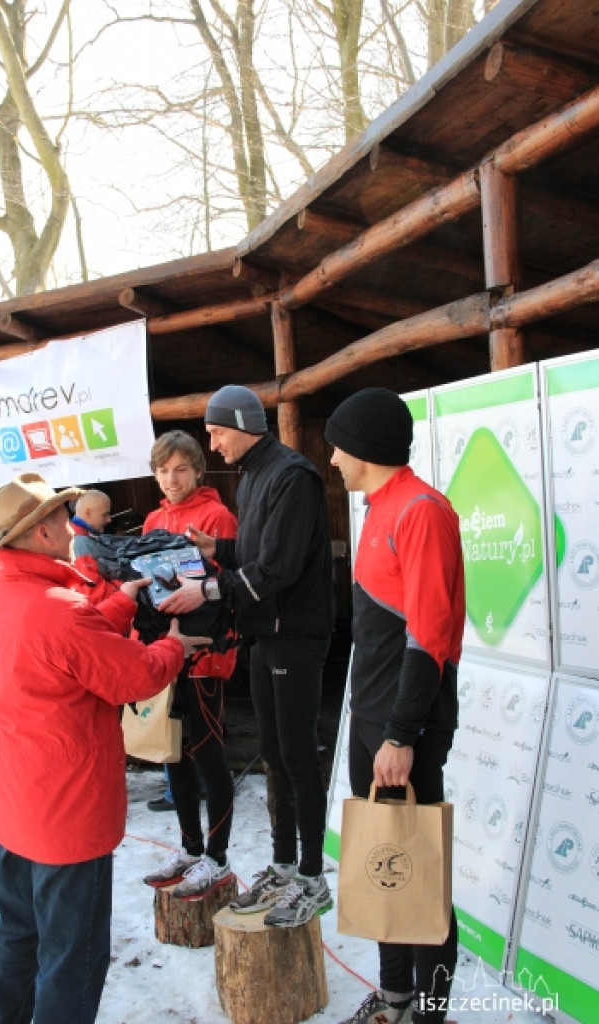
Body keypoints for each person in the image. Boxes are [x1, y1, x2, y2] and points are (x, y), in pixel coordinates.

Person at [0, 471, 209, 1024]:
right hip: (68, 814)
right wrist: (174, 647)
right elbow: (131, 676)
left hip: (16, 805)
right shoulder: (58, 608)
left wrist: (121, 602)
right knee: (72, 958)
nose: (72, 528)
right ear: (44, 533)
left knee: (16, 937)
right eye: (64, 519)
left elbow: (72, 644)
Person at [159, 386, 334, 928]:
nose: (213, 445)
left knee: (298, 755)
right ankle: (283, 867)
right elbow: (256, 553)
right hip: (265, 633)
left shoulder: (293, 475)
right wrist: (219, 551)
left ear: (240, 423)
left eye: (216, 433)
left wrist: (208, 590)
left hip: (295, 634)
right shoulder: (255, 474)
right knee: (273, 752)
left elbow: (277, 568)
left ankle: (312, 878)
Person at [324, 389, 465, 1024]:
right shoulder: (379, 507)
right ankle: (394, 998)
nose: (332, 460)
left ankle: (429, 1014)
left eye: (338, 447)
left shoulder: (422, 511)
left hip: (406, 728)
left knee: (420, 876)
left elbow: (428, 639)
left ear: (365, 448)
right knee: (385, 862)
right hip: (371, 721)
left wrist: (401, 734)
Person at [141, 430, 237, 897]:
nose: (171, 479)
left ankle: (216, 858)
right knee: (173, 754)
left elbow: (231, 587)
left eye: (180, 469)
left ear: (198, 470)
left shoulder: (217, 515)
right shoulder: (153, 519)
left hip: (205, 655)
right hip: (167, 653)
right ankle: (189, 848)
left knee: (209, 755)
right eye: (163, 471)